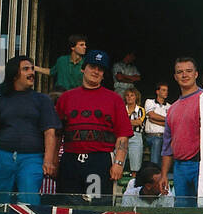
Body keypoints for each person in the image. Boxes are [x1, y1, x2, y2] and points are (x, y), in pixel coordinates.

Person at [0, 53, 59, 209]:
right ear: (14, 74)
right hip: (1, 157)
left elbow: (50, 132)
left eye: (32, 69)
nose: (31, 73)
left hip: (32, 158)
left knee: (29, 203)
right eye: (26, 69)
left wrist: (48, 160)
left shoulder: (43, 100)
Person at [55, 48, 132, 205]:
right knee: (66, 208)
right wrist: (53, 160)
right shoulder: (66, 98)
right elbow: (57, 134)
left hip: (99, 160)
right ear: (83, 68)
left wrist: (118, 163)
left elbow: (122, 135)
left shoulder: (114, 99)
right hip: (70, 159)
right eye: (92, 67)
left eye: (100, 69)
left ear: (104, 74)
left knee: (96, 209)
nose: (96, 72)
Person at [160, 56, 202, 213]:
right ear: (175, 77)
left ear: (196, 74)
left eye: (189, 71)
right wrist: (164, 174)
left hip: (202, 165)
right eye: (180, 72)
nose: (185, 75)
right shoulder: (172, 109)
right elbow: (166, 146)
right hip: (179, 168)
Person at [143, 82, 169, 165]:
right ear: (157, 92)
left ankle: (162, 172)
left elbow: (170, 123)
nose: (166, 92)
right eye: (163, 90)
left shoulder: (169, 106)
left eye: (167, 90)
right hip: (152, 136)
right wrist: (166, 119)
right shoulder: (150, 102)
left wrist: (155, 120)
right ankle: (154, 170)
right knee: (157, 141)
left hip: (165, 136)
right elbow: (151, 115)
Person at [122, 85, 146, 173]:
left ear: (136, 97)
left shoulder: (141, 110)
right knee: (119, 163)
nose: (129, 97)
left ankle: (133, 183)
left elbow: (139, 122)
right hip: (122, 136)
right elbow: (117, 122)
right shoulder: (121, 109)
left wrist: (124, 121)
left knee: (135, 165)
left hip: (136, 136)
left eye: (132, 95)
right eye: (127, 95)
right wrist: (132, 121)